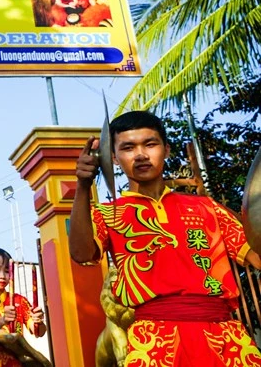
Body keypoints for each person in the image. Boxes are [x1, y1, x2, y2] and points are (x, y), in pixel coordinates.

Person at [69, 110, 261, 366]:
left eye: (150, 144)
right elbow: (82, 254)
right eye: (128, 147)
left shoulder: (208, 208)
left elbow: (256, 256)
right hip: (155, 343)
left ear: (166, 149)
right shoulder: (107, 213)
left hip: (227, 339)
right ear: (114, 158)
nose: (140, 155)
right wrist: (82, 186)